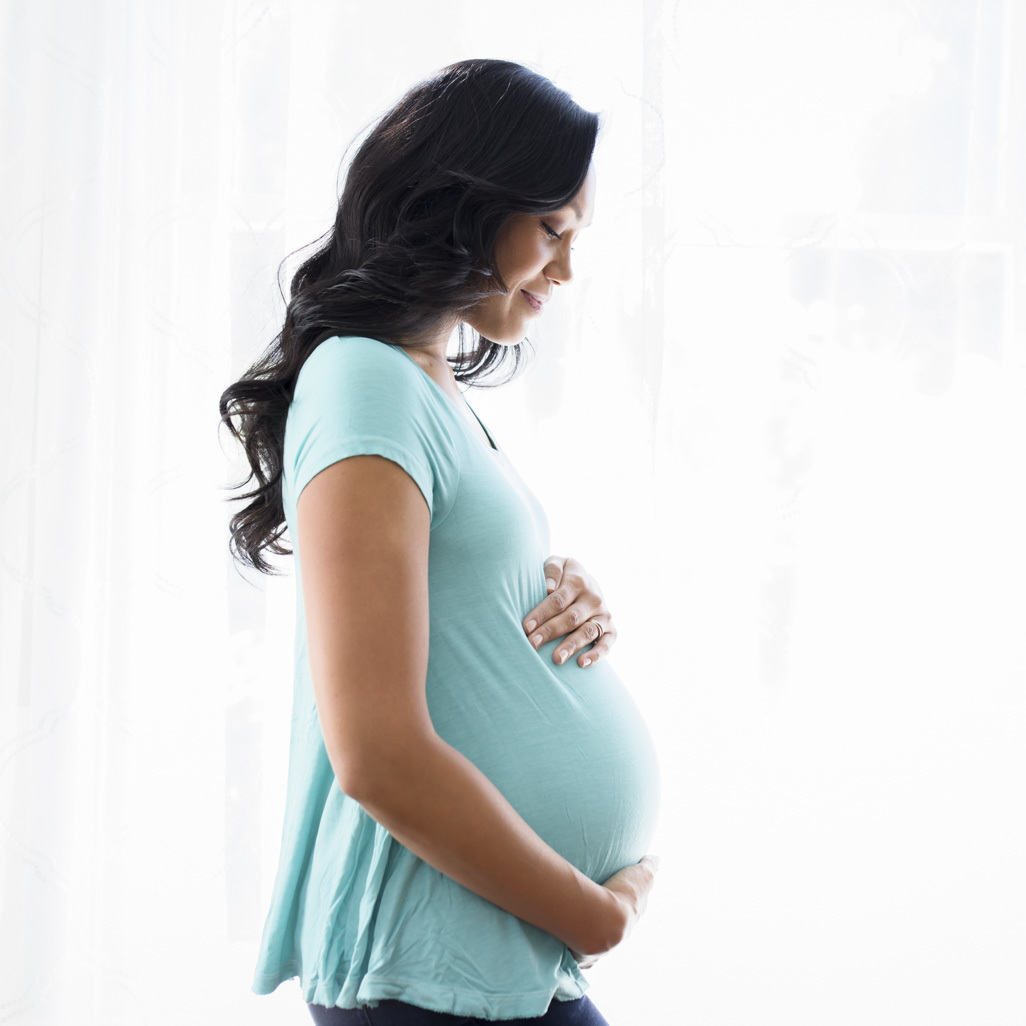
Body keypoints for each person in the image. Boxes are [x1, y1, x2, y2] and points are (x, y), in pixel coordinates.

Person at [218, 58, 662, 1026]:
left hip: (484, 961)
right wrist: (592, 915)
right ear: (466, 201)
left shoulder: (418, 385)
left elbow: (456, 614)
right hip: (428, 971)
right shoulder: (365, 380)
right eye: (553, 229)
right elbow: (376, 751)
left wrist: (553, 600)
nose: (568, 268)